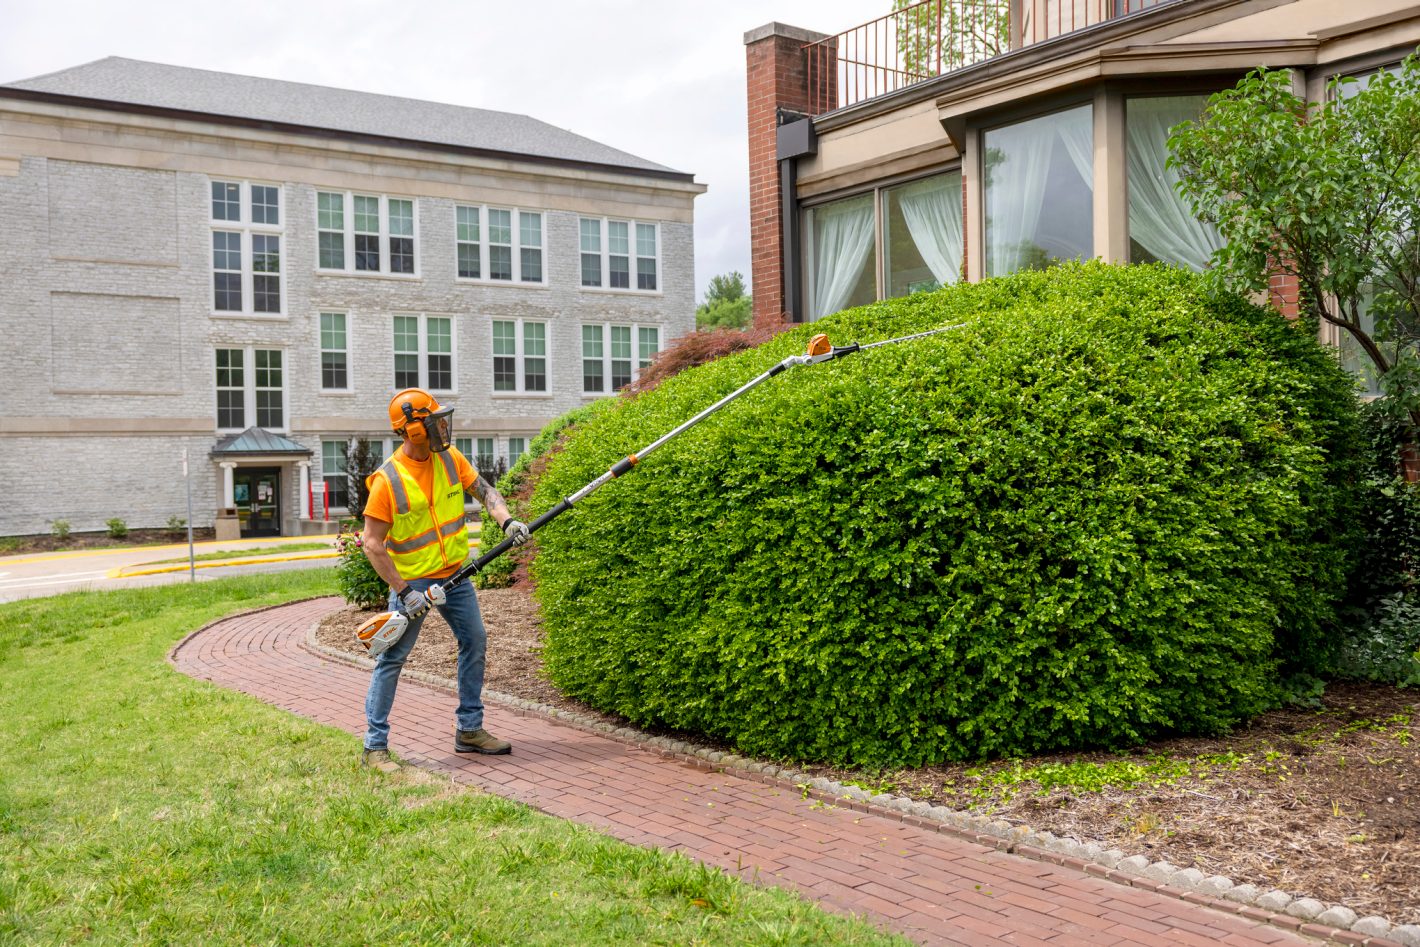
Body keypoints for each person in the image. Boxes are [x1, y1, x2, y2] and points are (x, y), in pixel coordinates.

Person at [357, 387, 529, 771]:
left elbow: (484, 491)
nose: (443, 427)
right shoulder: (388, 480)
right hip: (413, 585)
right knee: (393, 659)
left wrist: (507, 521)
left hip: (455, 574)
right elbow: (372, 544)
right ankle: (375, 748)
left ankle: (469, 729)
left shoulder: (448, 457)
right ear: (413, 430)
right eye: (434, 421)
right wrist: (404, 593)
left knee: (475, 641)